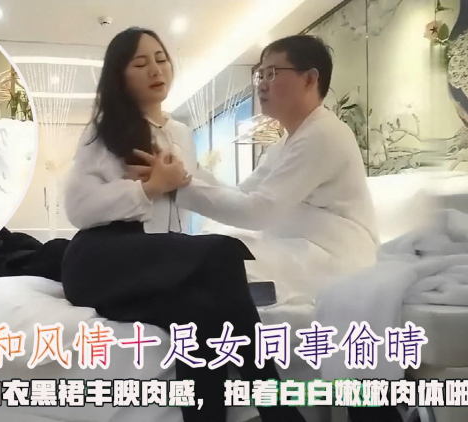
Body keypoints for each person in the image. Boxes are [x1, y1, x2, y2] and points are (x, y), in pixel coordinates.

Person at [61, 27, 306, 422]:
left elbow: (197, 192)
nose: (155, 69)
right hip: (101, 258)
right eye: (140, 63)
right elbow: (78, 207)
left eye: (161, 59)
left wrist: (186, 184)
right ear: (119, 75)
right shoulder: (104, 131)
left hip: (152, 263)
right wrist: (150, 188)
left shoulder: (180, 133)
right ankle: (277, 407)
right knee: (223, 252)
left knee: (201, 320)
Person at [131, 35, 378, 304]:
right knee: (212, 247)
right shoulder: (287, 143)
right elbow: (242, 194)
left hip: (336, 258)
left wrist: (177, 187)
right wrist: (187, 168)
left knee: (216, 260)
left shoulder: (324, 134)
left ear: (309, 79)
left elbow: (259, 211)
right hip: (300, 247)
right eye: (260, 75)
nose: (261, 84)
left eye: (271, 74)